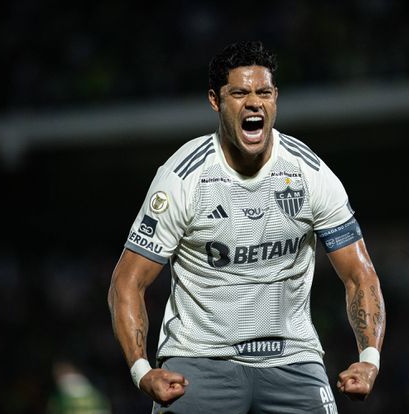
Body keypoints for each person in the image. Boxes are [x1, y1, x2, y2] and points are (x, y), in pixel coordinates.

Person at [108, 40, 386, 413]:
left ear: (275, 99)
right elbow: (127, 281)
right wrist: (142, 371)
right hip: (199, 361)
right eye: (239, 93)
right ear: (215, 100)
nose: (254, 103)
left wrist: (369, 359)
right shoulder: (183, 179)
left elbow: (360, 274)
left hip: (293, 359)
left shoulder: (309, 173)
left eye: (263, 93)